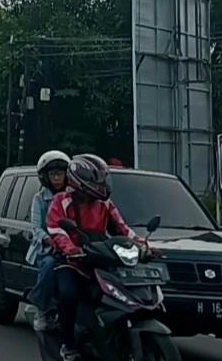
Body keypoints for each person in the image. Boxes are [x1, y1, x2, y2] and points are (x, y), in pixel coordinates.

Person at [46, 154, 147, 361]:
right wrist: (71, 249)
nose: (101, 185)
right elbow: (56, 229)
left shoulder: (105, 204)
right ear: (80, 181)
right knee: (68, 295)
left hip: (100, 259)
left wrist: (144, 245)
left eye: (103, 180)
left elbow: (123, 229)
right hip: (71, 261)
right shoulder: (61, 201)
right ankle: (68, 344)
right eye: (97, 181)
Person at [26, 150, 71, 332]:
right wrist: (49, 240)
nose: (57, 178)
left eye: (60, 174)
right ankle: (41, 309)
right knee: (49, 266)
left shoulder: (72, 197)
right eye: (53, 174)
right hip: (47, 249)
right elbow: (36, 228)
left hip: (71, 246)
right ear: (45, 176)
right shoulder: (39, 199)